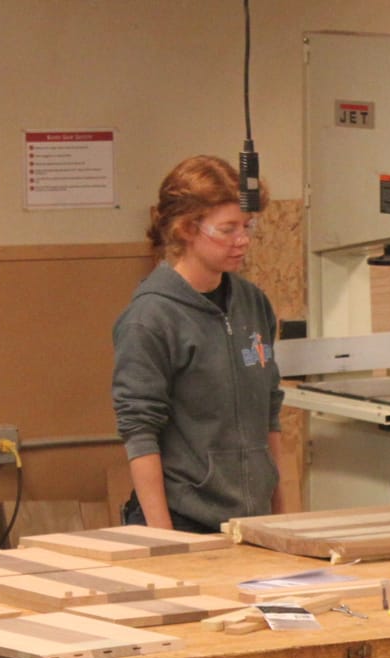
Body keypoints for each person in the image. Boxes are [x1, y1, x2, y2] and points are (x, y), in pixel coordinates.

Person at [112, 155, 297, 533]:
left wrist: (283, 520)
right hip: (185, 522)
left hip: (252, 521)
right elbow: (140, 432)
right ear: (185, 230)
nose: (242, 240)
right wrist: (164, 540)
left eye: (247, 226)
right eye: (227, 229)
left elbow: (270, 414)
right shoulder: (150, 318)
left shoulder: (253, 303)